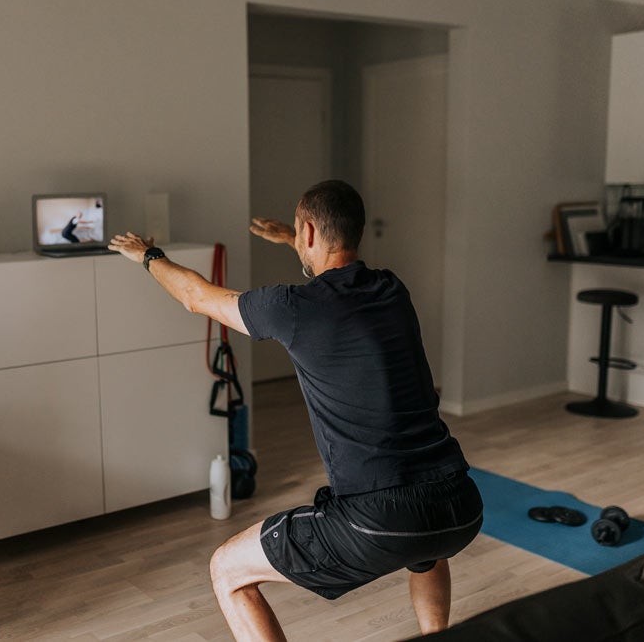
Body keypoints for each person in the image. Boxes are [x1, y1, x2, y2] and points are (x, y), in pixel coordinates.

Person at [108, 179, 483, 641]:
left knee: (227, 569)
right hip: (459, 504)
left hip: (378, 519)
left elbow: (196, 296)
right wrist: (293, 238)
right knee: (426, 548)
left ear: (310, 232)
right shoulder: (392, 290)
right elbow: (336, 269)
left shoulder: (292, 307)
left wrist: (149, 255)